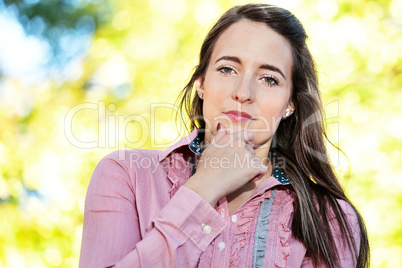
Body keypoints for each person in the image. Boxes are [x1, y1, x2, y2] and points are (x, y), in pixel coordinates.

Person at [79, 3, 369, 268]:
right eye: (227, 69)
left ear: (290, 104)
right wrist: (203, 189)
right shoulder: (125, 175)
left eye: (269, 79)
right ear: (201, 82)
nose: (243, 93)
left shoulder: (330, 218)